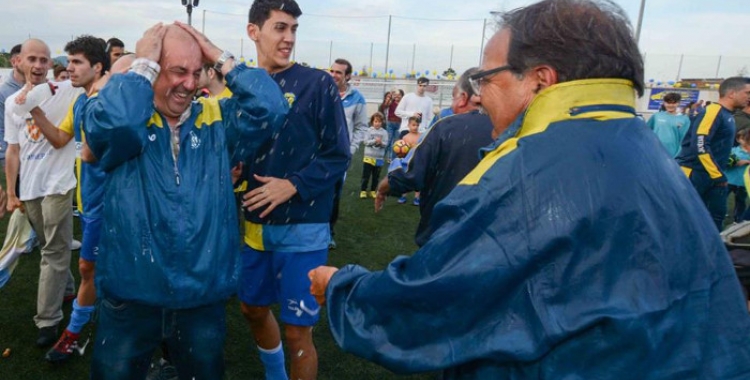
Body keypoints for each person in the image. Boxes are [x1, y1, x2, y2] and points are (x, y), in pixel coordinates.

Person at [309, 0, 750, 378]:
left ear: (540, 79)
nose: (479, 96)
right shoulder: (644, 146)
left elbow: (430, 303)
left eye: (486, 79)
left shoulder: (529, 169)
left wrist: (343, 287)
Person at [83, 22, 287, 379]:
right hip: (132, 295)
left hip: (202, 296)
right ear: (150, 70)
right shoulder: (127, 122)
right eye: (178, 71)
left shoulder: (216, 121)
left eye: (197, 72)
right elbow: (115, 124)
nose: (190, 84)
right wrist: (142, 64)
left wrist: (220, 57)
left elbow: (271, 109)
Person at [240, 1, 350, 379]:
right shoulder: (244, 85)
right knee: (251, 309)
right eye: (280, 28)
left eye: (294, 30)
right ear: (254, 31)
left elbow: (339, 155)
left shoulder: (316, 83)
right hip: (253, 227)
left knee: (297, 331)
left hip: (304, 227)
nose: (289, 38)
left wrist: (293, 185)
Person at [13, 35, 111, 363]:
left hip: (92, 194)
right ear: (19, 62)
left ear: (97, 67)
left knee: (70, 258)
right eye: (67, 62)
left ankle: (54, 323)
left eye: (77, 62)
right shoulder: (77, 101)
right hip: (62, 192)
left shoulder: (97, 94)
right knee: (67, 256)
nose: (68, 68)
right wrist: (34, 109)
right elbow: (54, 140)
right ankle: (79, 301)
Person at [5, 38, 80, 348]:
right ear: (18, 62)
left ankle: (47, 320)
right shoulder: (11, 104)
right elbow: (13, 149)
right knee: (55, 244)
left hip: (59, 184)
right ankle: (67, 289)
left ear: (51, 64)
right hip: (31, 186)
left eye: (44, 60)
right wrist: (11, 192)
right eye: (32, 59)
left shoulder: (66, 90)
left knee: (53, 251)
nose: (38, 65)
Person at [375, 67, 493, 247]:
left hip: (442, 233)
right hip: (490, 238)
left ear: (462, 98)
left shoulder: (445, 128)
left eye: (454, 97)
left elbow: (410, 173)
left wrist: (384, 187)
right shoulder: (514, 130)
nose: (453, 105)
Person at [676, 77, 750, 231]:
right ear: (731, 93)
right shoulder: (713, 111)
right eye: (747, 93)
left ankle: (710, 253)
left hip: (712, 175)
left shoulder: (728, 115)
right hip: (696, 174)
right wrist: (717, 175)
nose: (749, 97)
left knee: (714, 219)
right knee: (688, 219)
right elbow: (700, 144)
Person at [328, 57, 367, 249]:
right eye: (332, 71)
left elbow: (361, 127)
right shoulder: (323, 91)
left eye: (338, 72)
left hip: (340, 157)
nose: (334, 75)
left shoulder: (357, 98)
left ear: (348, 76)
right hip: (318, 153)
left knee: (334, 195)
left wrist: (350, 150)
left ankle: (328, 232)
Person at [646, 92, 691, 157]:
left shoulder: (684, 119)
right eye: (668, 103)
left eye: (673, 103)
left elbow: (684, 140)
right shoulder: (657, 116)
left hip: (673, 154)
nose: (670, 105)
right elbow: (647, 131)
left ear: (678, 103)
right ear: (664, 103)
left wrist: (679, 154)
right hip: (654, 152)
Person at [0, 44, 24, 167]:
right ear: (14, 62)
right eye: (28, 59)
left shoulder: (40, 88)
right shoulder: (3, 93)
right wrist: (5, 156)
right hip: (14, 158)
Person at [360, 112, 388, 199]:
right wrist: (374, 141)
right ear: (372, 122)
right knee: (366, 176)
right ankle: (363, 191)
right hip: (368, 158)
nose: (377, 123)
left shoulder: (384, 132)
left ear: (382, 122)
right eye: (375, 121)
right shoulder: (368, 131)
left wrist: (381, 143)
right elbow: (365, 142)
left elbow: (386, 143)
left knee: (376, 177)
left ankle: (373, 191)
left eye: (379, 122)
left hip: (379, 158)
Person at [727, 128, 750, 223]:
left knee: (740, 202)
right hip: (729, 181)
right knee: (723, 199)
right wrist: (737, 162)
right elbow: (726, 161)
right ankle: (721, 213)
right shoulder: (733, 151)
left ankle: (738, 220)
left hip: (742, 183)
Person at [384, 89, 403, 162]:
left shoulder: (402, 103)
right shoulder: (391, 102)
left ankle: (392, 159)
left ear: (402, 96)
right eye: (396, 95)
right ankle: (382, 155)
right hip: (390, 123)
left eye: (399, 95)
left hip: (399, 124)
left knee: (396, 143)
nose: (397, 96)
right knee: (388, 141)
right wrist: (390, 97)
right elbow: (385, 105)